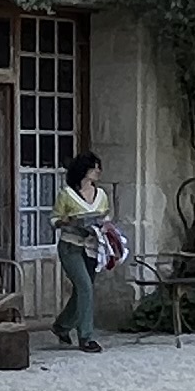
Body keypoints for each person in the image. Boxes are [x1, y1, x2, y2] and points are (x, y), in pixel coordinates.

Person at [51, 150, 114, 351]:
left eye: (98, 167)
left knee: (83, 290)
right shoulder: (66, 195)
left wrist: (104, 226)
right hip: (71, 246)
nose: (98, 171)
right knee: (85, 287)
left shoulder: (101, 195)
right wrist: (67, 221)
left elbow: (106, 218)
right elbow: (54, 220)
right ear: (83, 170)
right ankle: (86, 337)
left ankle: (62, 326)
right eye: (93, 167)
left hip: (93, 247)